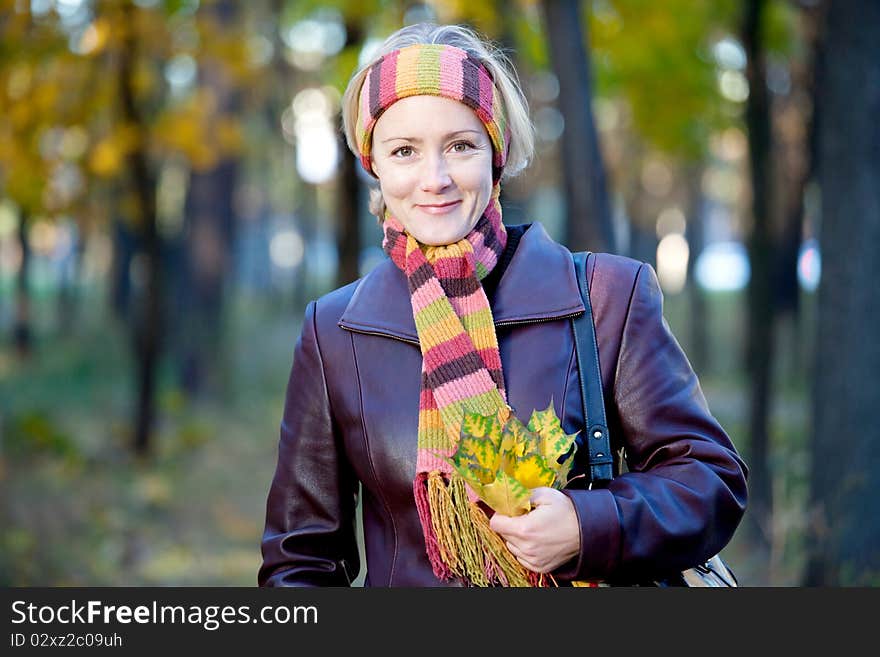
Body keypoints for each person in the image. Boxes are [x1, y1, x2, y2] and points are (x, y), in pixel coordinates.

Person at [258, 22, 748, 587]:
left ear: (497, 154)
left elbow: (709, 481)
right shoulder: (336, 331)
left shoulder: (605, 299)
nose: (434, 178)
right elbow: (301, 561)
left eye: (460, 146)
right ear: (376, 165)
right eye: (404, 151)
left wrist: (587, 527)